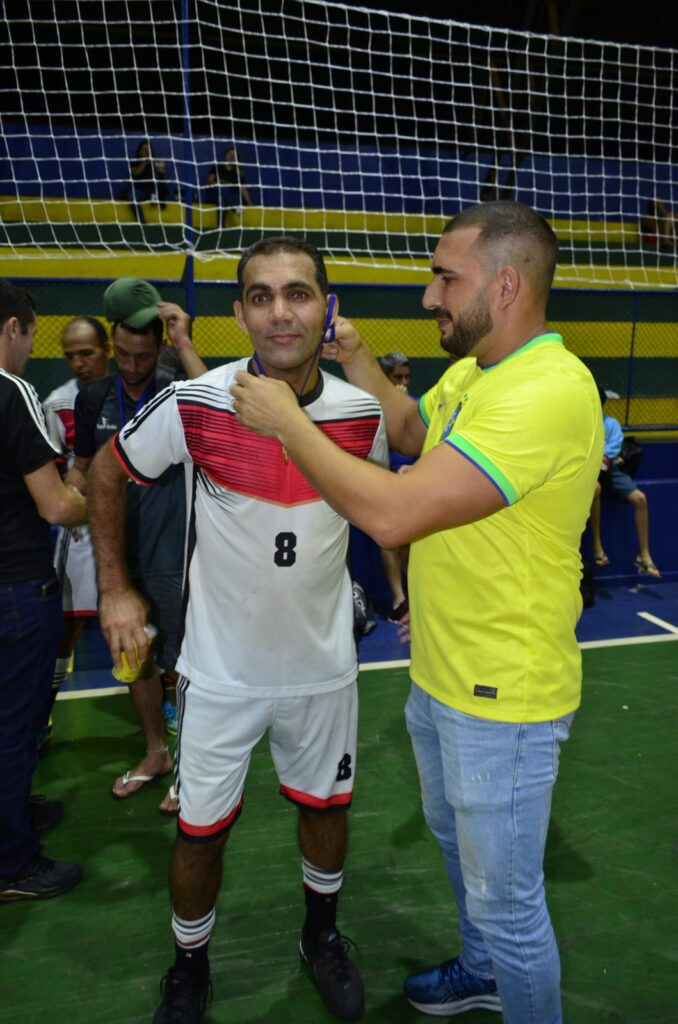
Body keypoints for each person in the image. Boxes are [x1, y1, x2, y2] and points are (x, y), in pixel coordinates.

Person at [230, 202, 604, 1024]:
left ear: (505, 286)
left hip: (503, 696)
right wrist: (358, 356)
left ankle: (509, 976)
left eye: (445, 279)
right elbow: (409, 431)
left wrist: (288, 422)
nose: (430, 296)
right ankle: (482, 970)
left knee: (510, 903)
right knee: (456, 847)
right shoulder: (477, 373)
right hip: (442, 674)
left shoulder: (545, 391)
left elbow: (394, 514)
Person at [87, 237, 388, 1024]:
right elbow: (107, 471)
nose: (280, 312)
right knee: (199, 834)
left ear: (327, 308)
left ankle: (321, 938)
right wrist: (115, 589)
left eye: (298, 293)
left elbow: (390, 504)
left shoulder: (361, 413)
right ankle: (189, 966)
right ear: (240, 313)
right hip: (220, 673)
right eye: (261, 296)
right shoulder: (198, 401)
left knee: (326, 811)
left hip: (323, 670)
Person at [69, 278, 207, 814]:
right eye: (123, 355)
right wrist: (71, 494)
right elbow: (84, 468)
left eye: (143, 356)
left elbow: (221, 404)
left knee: (187, 662)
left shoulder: (179, 386)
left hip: (177, 549)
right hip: (119, 553)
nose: (132, 366)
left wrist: (184, 343)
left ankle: (193, 766)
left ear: (160, 348)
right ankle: (157, 753)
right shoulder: (92, 398)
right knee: (136, 657)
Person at [0, 279, 87, 901]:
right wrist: (96, 504)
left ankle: (11, 814)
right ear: (13, 327)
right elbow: (56, 506)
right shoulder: (13, 390)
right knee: (14, 725)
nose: (30, 350)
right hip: (16, 585)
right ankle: (13, 863)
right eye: (30, 337)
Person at [41, 317, 111, 746]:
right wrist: (72, 503)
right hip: (82, 528)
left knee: (151, 620)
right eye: (70, 356)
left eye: (87, 353)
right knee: (66, 625)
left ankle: (166, 704)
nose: (78, 362)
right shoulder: (56, 403)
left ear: (107, 350)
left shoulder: (132, 392)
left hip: (134, 522)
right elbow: (52, 471)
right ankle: (42, 712)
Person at [590, 384, 660, 578]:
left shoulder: (610, 424)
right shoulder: (582, 426)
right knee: (595, 489)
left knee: (640, 498)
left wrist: (602, 458)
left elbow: (612, 451)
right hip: (588, 471)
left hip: (609, 469)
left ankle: (644, 555)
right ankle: (597, 544)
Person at [376, 352, 416, 623]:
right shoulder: (371, 407)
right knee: (390, 538)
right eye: (397, 378)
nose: (403, 383)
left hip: (416, 479)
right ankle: (398, 600)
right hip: (385, 479)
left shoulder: (416, 405)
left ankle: (418, 593)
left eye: (406, 377)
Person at [206, 146, 253, 227]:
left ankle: (220, 226)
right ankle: (235, 207)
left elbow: (243, 189)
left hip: (229, 196)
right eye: (229, 153)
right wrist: (222, 183)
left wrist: (250, 204)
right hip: (215, 193)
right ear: (225, 156)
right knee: (222, 188)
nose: (231, 156)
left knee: (221, 200)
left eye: (234, 155)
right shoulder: (218, 167)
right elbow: (210, 181)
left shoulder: (238, 172)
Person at [126, 140, 168, 225]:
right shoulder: (134, 162)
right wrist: (145, 162)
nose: (146, 151)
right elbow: (136, 172)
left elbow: (163, 170)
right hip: (141, 190)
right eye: (144, 149)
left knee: (157, 175)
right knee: (131, 196)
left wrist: (153, 161)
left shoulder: (156, 161)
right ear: (140, 151)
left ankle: (154, 198)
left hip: (154, 190)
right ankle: (142, 223)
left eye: (148, 149)